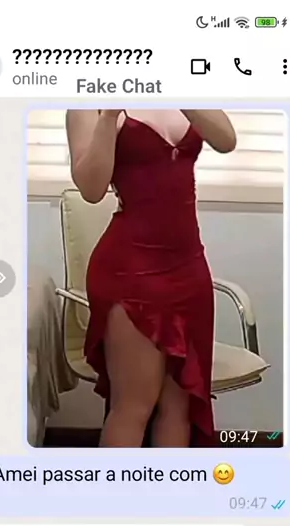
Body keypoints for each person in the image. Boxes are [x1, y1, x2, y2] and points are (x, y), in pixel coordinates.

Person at [66, 109, 237, 447]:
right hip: (130, 269)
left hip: (189, 267)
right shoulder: (87, 106)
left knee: (179, 406)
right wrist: (109, 116)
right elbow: (92, 189)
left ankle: (167, 484)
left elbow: (226, 140)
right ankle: (118, 484)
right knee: (134, 406)